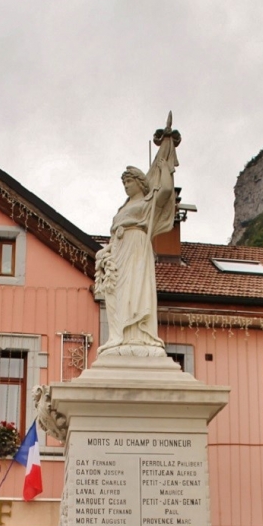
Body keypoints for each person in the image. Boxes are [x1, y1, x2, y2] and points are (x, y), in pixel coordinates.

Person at [95, 115, 180, 354]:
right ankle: (118, 335)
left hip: (135, 246)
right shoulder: (123, 209)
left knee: (133, 288)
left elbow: (164, 190)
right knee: (116, 293)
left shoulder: (146, 202)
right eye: (124, 183)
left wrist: (164, 166)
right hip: (118, 250)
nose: (126, 186)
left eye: (129, 182)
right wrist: (106, 250)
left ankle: (137, 334)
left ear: (140, 183)